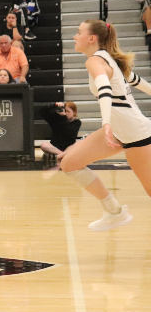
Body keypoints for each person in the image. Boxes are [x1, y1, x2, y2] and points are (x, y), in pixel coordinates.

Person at [59, 19, 151, 230]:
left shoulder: (95, 61)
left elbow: (104, 90)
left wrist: (106, 122)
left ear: (91, 38)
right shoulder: (108, 59)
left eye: (78, 32)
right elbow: (137, 81)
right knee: (69, 163)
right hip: (120, 131)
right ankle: (114, 211)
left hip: (136, 134)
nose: (75, 36)